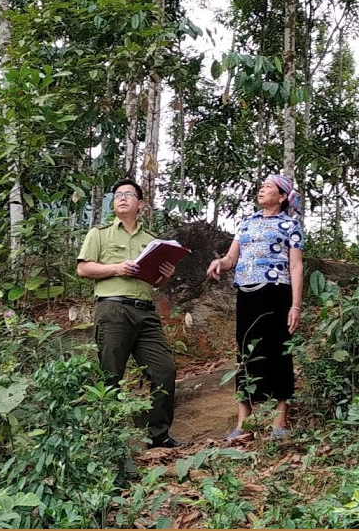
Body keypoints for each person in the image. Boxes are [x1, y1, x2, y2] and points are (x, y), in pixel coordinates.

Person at [76, 178, 182, 449]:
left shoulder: (153, 241)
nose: (122, 198)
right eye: (117, 195)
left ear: (141, 204)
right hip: (113, 308)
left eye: (128, 194)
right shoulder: (99, 234)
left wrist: (165, 277)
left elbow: (154, 282)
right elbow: (84, 269)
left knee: (164, 370)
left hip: (146, 313)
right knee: (111, 374)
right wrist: (116, 268)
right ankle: (108, 439)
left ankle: (158, 435)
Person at [206, 175, 304, 440]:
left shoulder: (290, 224)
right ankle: (243, 422)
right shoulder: (246, 223)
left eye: (269, 187)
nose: (262, 190)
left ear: (282, 197)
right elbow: (230, 258)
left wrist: (295, 306)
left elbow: (295, 266)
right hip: (247, 294)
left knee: (278, 351)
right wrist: (219, 263)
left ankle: (279, 419)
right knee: (245, 354)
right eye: (261, 187)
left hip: (277, 293)